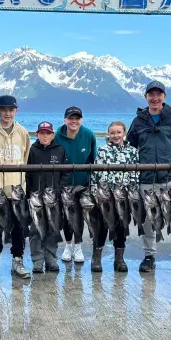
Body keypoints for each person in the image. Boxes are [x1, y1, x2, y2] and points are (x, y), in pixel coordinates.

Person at [126, 81, 171, 278]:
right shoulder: (138, 121)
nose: (155, 98)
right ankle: (149, 256)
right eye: (151, 95)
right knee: (148, 220)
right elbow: (129, 148)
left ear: (164, 97)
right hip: (146, 180)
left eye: (158, 94)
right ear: (146, 97)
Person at [0, 95, 32, 282]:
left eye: (11, 110)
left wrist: (22, 180)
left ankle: (17, 260)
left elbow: (26, 157)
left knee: (19, 227)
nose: (7, 113)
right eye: (4, 110)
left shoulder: (23, 132)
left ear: (16, 111)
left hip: (18, 189)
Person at [91, 121, 139, 273]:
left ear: (124, 133)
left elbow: (135, 175)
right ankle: (96, 258)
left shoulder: (133, 151)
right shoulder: (102, 150)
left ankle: (119, 258)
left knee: (121, 227)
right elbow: (95, 174)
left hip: (123, 196)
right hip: (105, 196)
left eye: (118, 132)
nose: (115, 135)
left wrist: (133, 193)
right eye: (112, 133)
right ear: (108, 135)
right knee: (101, 227)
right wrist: (95, 193)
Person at [55, 106, 97, 263]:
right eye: (70, 118)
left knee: (80, 215)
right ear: (64, 120)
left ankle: (78, 246)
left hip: (82, 183)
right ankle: (67, 246)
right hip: (63, 184)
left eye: (77, 118)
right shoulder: (56, 136)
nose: (74, 121)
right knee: (66, 216)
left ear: (81, 120)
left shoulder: (89, 135)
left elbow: (93, 159)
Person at [26, 121, 69, 273]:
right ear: (37, 134)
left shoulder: (60, 150)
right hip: (36, 197)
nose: (45, 136)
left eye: (48, 133)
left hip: (53, 197)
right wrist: (29, 193)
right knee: (35, 229)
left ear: (53, 134)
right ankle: (37, 260)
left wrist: (59, 190)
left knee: (53, 227)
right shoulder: (32, 150)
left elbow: (65, 172)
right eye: (42, 133)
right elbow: (27, 174)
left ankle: (51, 258)